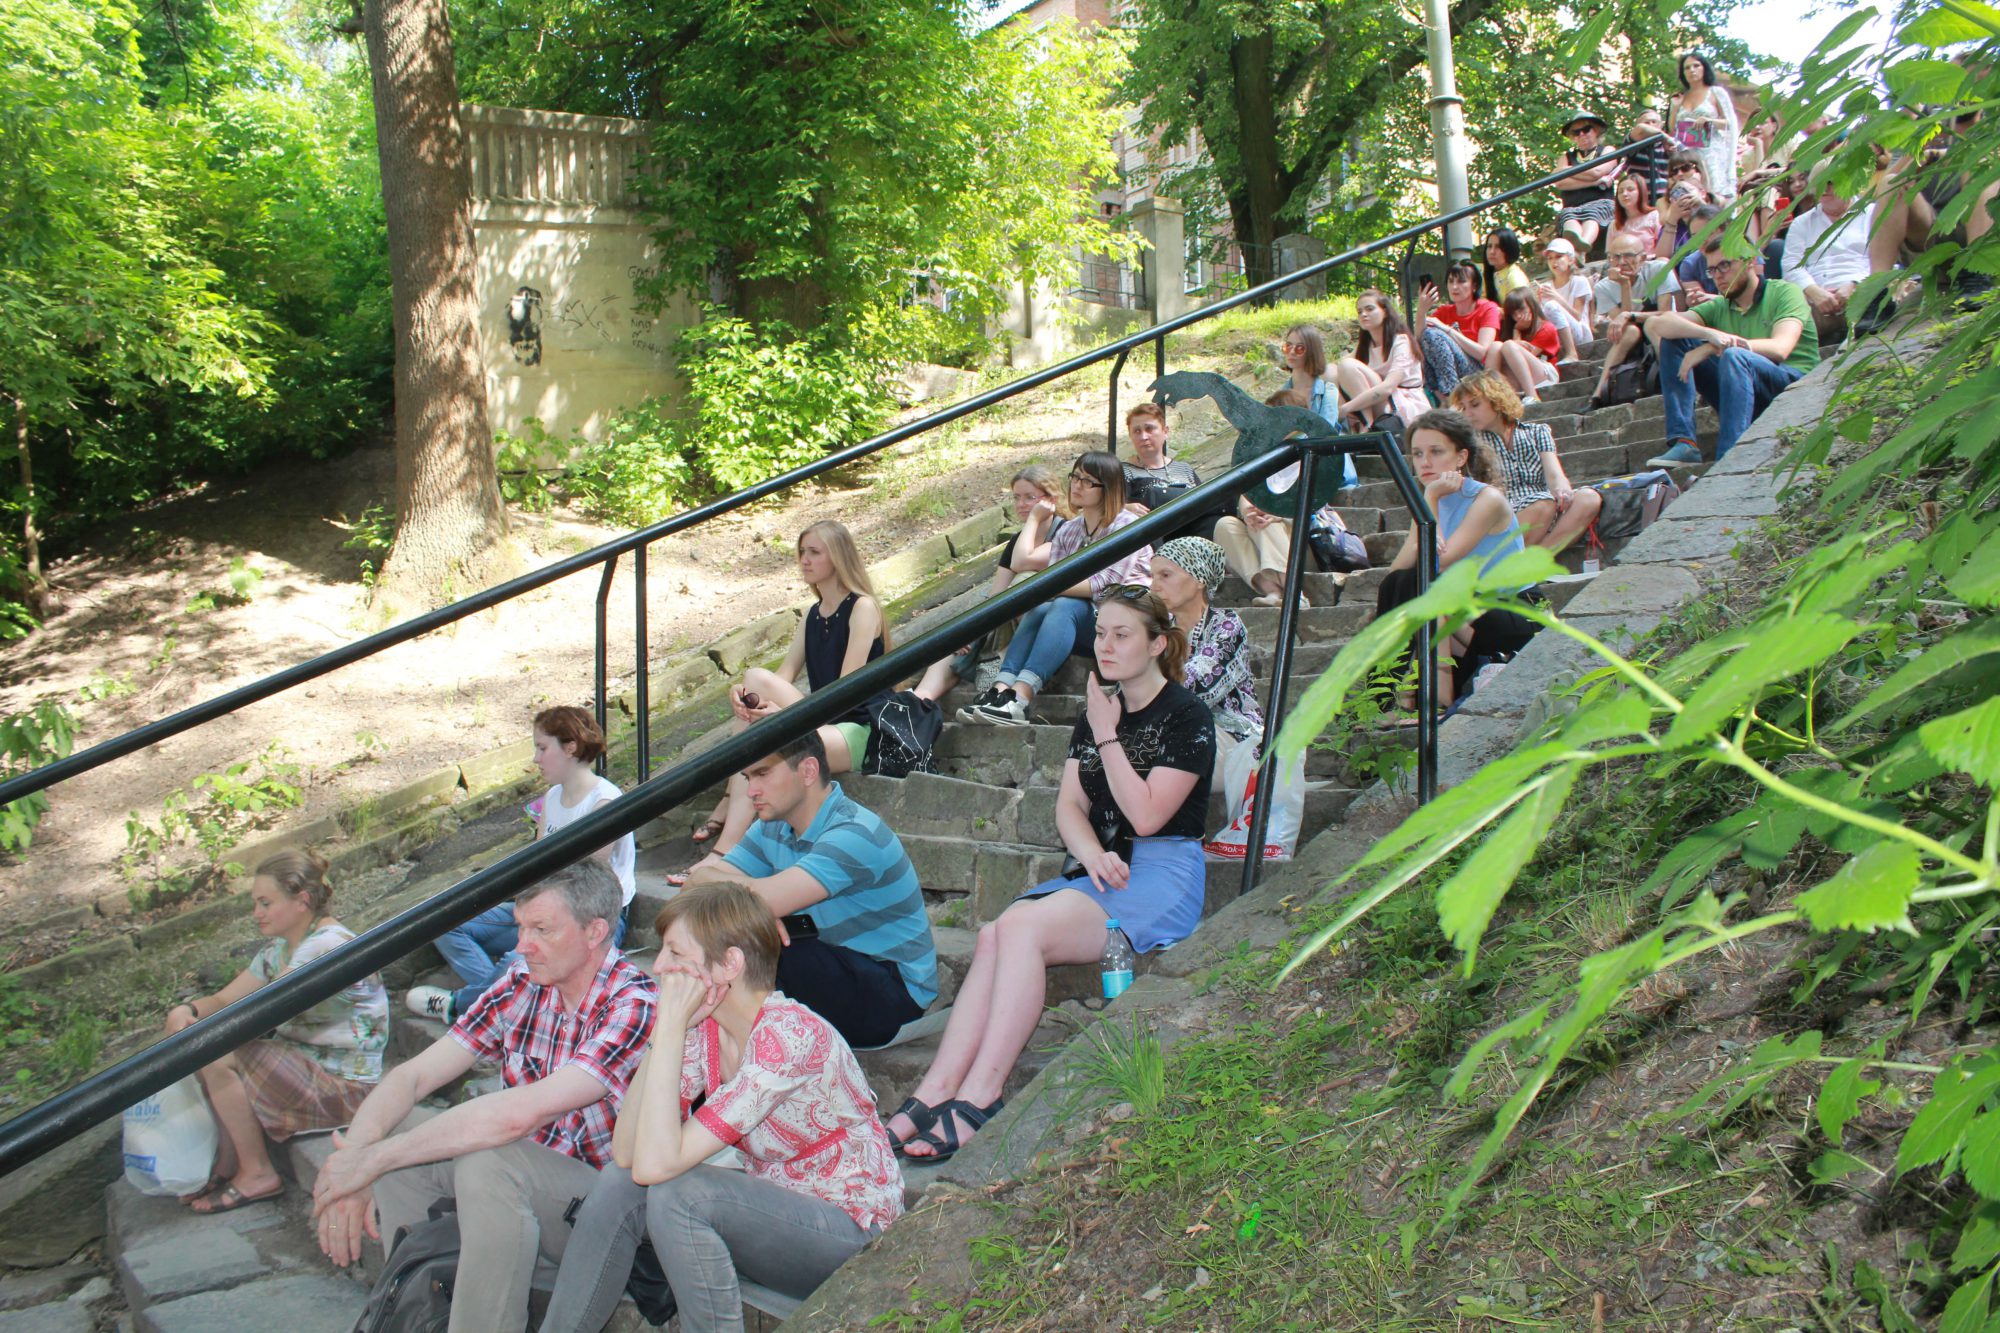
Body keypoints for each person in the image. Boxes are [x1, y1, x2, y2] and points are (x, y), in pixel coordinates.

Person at [890, 586, 1214, 1162]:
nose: (1105, 645)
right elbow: (1069, 806)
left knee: (1020, 928)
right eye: (1101, 632)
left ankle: (981, 1095)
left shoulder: (1187, 716)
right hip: (1101, 866)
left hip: (1162, 875)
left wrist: (1107, 732)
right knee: (993, 933)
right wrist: (1090, 854)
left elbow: (1147, 816)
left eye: (1122, 635)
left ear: (1157, 644)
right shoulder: (1097, 712)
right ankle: (935, 1089)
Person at [536, 884, 904, 1333]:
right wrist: (664, 1037)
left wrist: (670, 1028)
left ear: (730, 963)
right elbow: (628, 1154)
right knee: (617, 1183)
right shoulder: (706, 1030)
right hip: (772, 1220)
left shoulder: (789, 1037)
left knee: (681, 1194)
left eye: (675, 953)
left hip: (851, 1234)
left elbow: (658, 1167)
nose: (659, 967)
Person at [312, 862, 656, 1333]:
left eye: (541, 930)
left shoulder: (633, 1004)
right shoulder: (521, 984)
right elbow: (411, 1077)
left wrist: (372, 1160)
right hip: (527, 1182)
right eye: (520, 927)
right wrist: (354, 1161)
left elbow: (518, 1117)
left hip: (603, 1212)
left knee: (489, 1160)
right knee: (397, 1128)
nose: (521, 945)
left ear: (595, 931)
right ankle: (415, 1311)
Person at [679, 730, 938, 1050]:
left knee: (758, 943)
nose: (751, 791)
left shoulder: (854, 833)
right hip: (827, 958)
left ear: (808, 771)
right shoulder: (771, 827)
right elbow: (694, 889)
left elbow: (759, 898)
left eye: (763, 774)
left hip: (891, 993)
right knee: (730, 928)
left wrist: (757, 907)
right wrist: (753, 906)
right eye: (747, 778)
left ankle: (739, 1053)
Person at [166, 850, 388, 1214]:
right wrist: (186, 1011)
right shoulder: (280, 950)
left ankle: (256, 1173)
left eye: (266, 903)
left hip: (345, 1089)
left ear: (302, 900)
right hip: (305, 1069)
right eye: (256, 903)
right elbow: (222, 1000)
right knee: (201, 1043)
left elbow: (258, 1011)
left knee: (216, 1053)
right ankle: (229, 1160)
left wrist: (200, 1034)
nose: (257, 913)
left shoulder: (326, 946)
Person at [408, 705, 636, 1023]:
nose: (536, 759)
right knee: (444, 923)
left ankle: (463, 1006)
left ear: (570, 747)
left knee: (519, 959)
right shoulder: (553, 797)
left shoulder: (604, 802)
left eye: (543, 748)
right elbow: (538, 866)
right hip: (546, 910)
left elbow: (586, 885)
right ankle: (508, 1003)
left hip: (590, 919)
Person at [690, 521, 888, 855]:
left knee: (761, 704)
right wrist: (740, 693)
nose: (804, 560)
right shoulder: (813, 615)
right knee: (753, 693)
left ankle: (724, 842)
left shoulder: (862, 607)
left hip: (858, 729)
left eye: (814, 552)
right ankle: (724, 846)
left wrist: (783, 714)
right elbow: (781, 677)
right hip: (824, 722)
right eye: (801, 552)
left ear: (838, 556)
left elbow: (846, 691)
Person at [958, 451, 1153, 727]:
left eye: (1088, 481)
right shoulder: (1070, 530)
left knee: (1063, 603)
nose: (1077, 485)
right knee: (1043, 607)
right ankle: (1000, 690)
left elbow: (1104, 588)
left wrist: (1049, 588)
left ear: (1108, 487)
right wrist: (1048, 589)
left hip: (1128, 621)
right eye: (1075, 477)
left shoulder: (1126, 526)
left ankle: (1020, 699)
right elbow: (1052, 578)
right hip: (1088, 623)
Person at [1375, 410, 1536, 710]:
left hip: (1513, 613)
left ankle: (1434, 697)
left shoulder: (1486, 499)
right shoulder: (1430, 501)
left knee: (1428, 585)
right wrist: (1429, 502)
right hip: (1466, 619)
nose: (1424, 462)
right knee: (1404, 583)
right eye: (1417, 453)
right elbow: (1395, 577)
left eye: (1436, 452)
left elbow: (1438, 563)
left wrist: (1431, 499)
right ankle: (1390, 695)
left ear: (1461, 457)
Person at [1643, 235, 1820, 466]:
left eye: (1725, 265)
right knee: (1675, 340)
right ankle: (1684, 443)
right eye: (1712, 270)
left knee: (1735, 356)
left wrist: (1714, 346)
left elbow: (1780, 348)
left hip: (1792, 388)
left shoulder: (1784, 292)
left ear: (1749, 262)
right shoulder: (1720, 305)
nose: (1718, 275)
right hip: (1743, 392)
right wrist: (1709, 335)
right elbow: (1658, 324)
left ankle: (1729, 456)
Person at [912, 466, 1066, 705]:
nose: (1021, 504)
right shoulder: (1017, 541)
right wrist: (972, 632)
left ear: (1051, 499)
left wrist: (1034, 519)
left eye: (1030, 497)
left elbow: (1022, 562)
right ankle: (917, 702)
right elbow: (996, 597)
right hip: (1006, 621)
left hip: (1040, 626)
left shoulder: (1065, 532)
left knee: (1024, 578)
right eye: (1016, 497)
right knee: (958, 642)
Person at [1452, 371, 1604, 553]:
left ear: (1497, 400)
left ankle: (1538, 560)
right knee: (1543, 504)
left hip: (1545, 506)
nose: (1468, 413)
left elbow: (1554, 474)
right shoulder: (1471, 444)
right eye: (1463, 408)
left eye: (1475, 404)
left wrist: (1562, 491)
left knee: (1589, 498)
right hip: (1505, 516)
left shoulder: (1537, 432)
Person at [1149, 538, 1263, 766]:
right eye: (1153, 576)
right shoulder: (1156, 629)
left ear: (1199, 579)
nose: (1154, 586)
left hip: (1231, 738)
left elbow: (1199, 685)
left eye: (1165, 575)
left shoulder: (1227, 625)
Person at [1584, 232, 1682, 411]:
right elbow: (1624, 324)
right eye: (1615, 257)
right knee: (1630, 332)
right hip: (1633, 334)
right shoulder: (1603, 287)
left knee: (1653, 325)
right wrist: (1625, 285)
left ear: (1642, 258)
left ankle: (1674, 379)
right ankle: (1598, 394)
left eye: (1628, 255)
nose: (1622, 262)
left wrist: (1629, 315)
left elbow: (1666, 313)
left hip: (1662, 326)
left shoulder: (1659, 269)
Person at [1782, 172, 1877, 343]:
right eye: (1819, 182)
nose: (1824, 189)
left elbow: (1883, 259)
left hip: (1864, 291)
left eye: (1831, 182)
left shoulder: (1872, 213)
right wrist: (1814, 292)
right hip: (1816, 300)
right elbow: (1791, 265)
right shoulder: (1802, 223)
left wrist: (1855, 285)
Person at [1119, 402, 1230, 542]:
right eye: (1137, 431)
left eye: (1149, 429)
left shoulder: (1184, 469)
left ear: (1165, 432)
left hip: (1197, 537)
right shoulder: (1123, 471)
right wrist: (1125, 509)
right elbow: (1106, 509)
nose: (1143, 436)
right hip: (1158, 539)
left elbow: (1205, 504)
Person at [1332, 288, 1430, 435]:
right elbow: (1335, 369)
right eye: (1359, 312)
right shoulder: (1366, 345)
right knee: (1330, 371)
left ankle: (1367, 426)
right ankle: (1344, 429)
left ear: (1385, 311)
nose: (1364, 314)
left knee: (1347, 366)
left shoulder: (1401, 342)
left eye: (1369, 309)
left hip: (1402, 406)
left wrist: (1346, 408)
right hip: (1379, 404)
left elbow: (1388, 387)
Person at [1277, 324, 1361, 489]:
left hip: (1327, 465)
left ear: (1311, 352)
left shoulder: (1328, 391)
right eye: (1288, 346)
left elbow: (1324, 428)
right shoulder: (1281, 393)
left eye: (1299, 348)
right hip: (1294, 466)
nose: (1291, 352)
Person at [1420, 262, 1504, 397]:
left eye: (1461, 282)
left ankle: (1451, 394)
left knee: (1434, 334)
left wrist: (1448, 330)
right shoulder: (1444, 311)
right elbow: (1420, 338)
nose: (1454, 287)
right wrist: (1422, 310)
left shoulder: (1488, 308)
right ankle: (1444, 396)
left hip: (1478, 371)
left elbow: (1481, 353)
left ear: (1474, 286)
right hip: (1452, 370)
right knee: (1427, 336)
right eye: (1451, 281)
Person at [1670, 52, 1739, 201]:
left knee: (1715, 192)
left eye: (1696, 66)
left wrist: (1709, 121)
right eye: (1687, 67)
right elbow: (1672, 130)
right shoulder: (1680, 97)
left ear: (1704, 68)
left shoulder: (1716, 92)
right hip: (1688, 155)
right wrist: (1674, 108)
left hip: (1712, 153)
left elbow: (1730, 123)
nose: (1692, 70)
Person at [1552, 110, 1624, 251]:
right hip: (1571, 205)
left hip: (1600, 203)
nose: (1581, 134)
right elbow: (1560, 182)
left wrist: (1567, 170)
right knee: (1567, 217)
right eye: (1576, 132)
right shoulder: (1566, 157)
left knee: (1592, 215)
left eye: (1586, 130)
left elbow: (1598, 172)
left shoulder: (1607, 150)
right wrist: (1594, 182)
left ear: (1596, 131)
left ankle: (1583, 245)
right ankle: (1575, 249)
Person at [1485, 289, 1561, 402]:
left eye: (1521, 310)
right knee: (1495, 346)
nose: (1518, 316)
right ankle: (1492, 398)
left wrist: (1516, 331)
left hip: (1545, 373)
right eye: (1513, 314)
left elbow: (1524, 356)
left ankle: (1533, 396)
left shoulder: (1546, 328)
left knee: (1509, 345)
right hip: (1520, 376)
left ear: (1532, 305)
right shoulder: (1511, 329)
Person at [1533, 238, 1592, 358]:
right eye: (1550, 258)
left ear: (1570, 260)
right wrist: (1538, 303)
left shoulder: (1579, 281)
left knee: (1551, 305)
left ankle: (1572, 353)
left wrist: (1556, 297)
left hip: (1581, 334)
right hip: (1556, 336)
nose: (1553, 261)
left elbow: (1578, 316)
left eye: (1558, 257)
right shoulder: (1547, 286)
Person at [1626, 107, 1673, 201]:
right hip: (1641, 199)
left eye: (1654, 122)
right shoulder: (1633, 143)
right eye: (1646, 123)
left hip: (1667, 198)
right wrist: (1664, 137)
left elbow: (1687, 161)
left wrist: (1673, 152)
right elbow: (1640, 129)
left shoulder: (1672, 144)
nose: (1650, 125)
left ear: (1661, 125)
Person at [1611, 174, 1662, 255]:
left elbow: (1663, 250)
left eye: (1630, 190)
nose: (1624, 194)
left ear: (1641, 192)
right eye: (1620, 191)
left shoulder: (1654, 216)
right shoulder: (1614, 224)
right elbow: (1610, 254)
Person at [1481, 228, 1531, 302]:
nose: (1492, 251)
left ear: (1509, 250)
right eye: (1489, 246)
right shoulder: (1487, 273)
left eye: (1498, 247)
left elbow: (1520, 307)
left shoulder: (1515, 277)